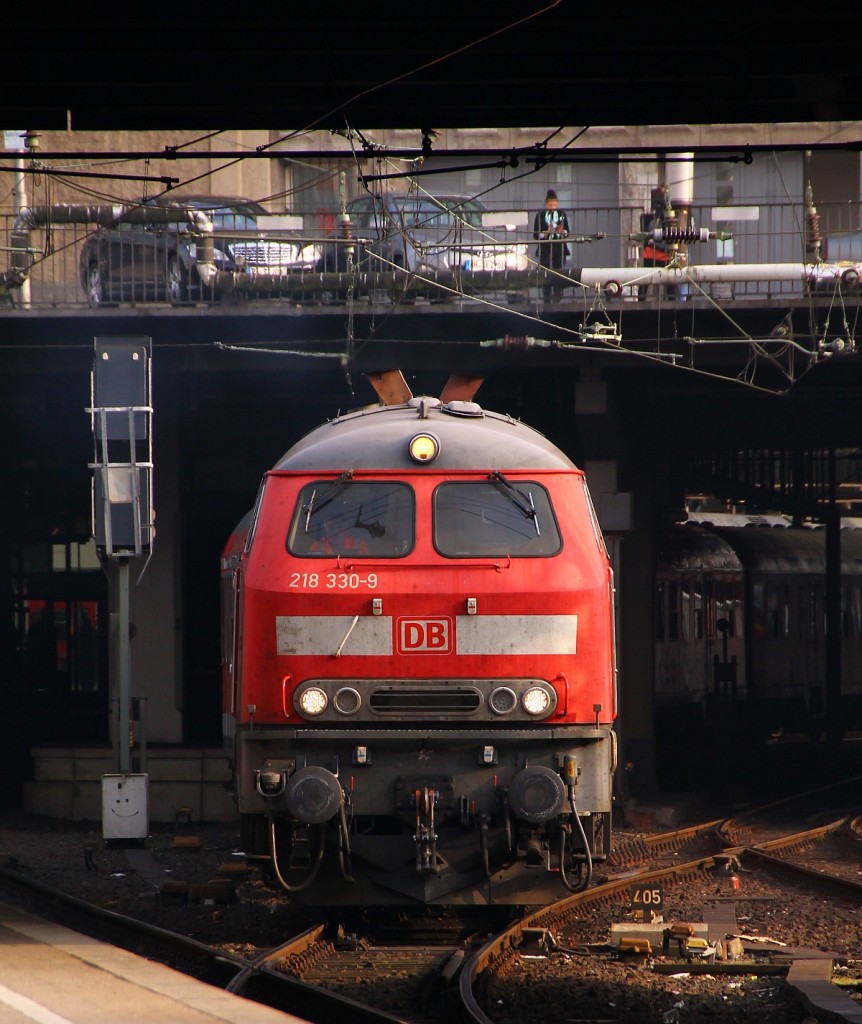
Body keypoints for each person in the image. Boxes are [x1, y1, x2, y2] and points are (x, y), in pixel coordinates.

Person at [533, 189, 570, 301]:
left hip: (559, 247)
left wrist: (561, 231)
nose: (553, 207)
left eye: (554, 205)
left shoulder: (562, 214)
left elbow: (567, 232)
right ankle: (547, 296)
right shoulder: (540, 215)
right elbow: (536, 234)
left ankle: (557, 295)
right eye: (550, 205)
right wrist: (545, 233)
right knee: (546, 271)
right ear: (546, 204)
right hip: (545, 248)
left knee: (558, 271)